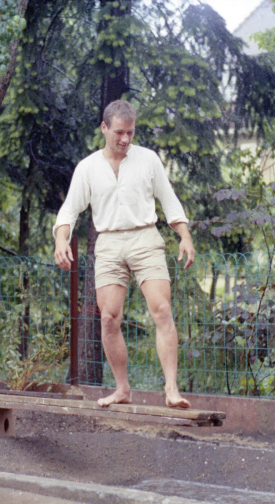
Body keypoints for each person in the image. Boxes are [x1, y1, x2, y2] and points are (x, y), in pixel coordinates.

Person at [53, 100, 195, 408]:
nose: (125, 139)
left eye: (130, 132)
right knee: (108, 318)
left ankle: (171, 390)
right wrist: (61, 240)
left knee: (162, 310)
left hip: (145, 237)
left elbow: (169, 201)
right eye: (119, 132)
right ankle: (122, 390)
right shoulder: (88, 167)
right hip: (108, 243)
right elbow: (69, 210)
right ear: (104, 128)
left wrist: (184, 235)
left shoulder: (148, 160)